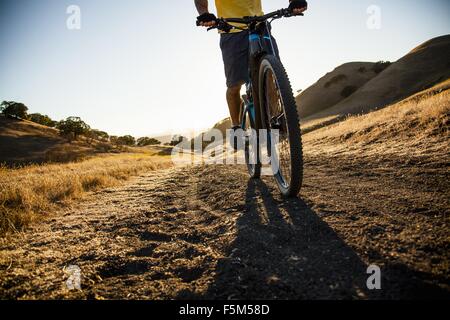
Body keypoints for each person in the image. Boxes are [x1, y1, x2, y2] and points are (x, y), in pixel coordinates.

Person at [195, 0, 308, 148]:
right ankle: (236, 127)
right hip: (231, 30)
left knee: (271, 75)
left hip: (260, 25)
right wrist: (205, 14)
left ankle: (276, 120)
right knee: (234, 85)